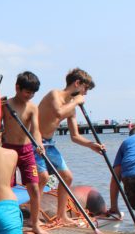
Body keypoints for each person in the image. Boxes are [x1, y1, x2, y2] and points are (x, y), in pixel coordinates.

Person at [35, 68, 104, 225]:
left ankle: (62, 216)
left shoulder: (71, 108)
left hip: (49, 143)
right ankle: (35, 217)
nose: (85, 94)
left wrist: (92, 145)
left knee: (67, 177)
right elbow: (58, 113)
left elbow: (75, 136)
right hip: (35, 140)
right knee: (43, 178)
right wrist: (75, 102)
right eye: (85, 89)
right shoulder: (54, 94)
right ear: (77, 83)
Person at [2, 71, 48, 234]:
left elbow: (35, 130)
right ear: (17, 88)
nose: (30, 96)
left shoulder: (32, 107)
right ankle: (7, 222)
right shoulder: (5, 105)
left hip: (27, 150)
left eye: (33, 93)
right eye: (27, 92)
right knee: (6, 187)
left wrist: (39, 144)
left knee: (34, 188)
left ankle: (34, 223)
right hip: (8, 150)